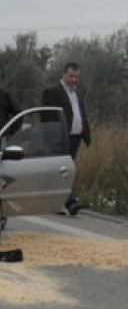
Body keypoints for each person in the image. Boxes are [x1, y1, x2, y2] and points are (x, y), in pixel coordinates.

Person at [41, 62, 90, 215]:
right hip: (61, 137)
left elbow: (80, 114)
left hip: (75, 137)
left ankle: (59, 201)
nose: (74, 79)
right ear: (64, 74)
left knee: (67, 169)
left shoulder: (77, 94)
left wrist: (86, 134)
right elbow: (46, 116)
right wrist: (52, 136)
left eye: (76, 76)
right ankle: (71, 200)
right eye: (71, 76)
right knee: (64, 170)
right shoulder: (52, 92)